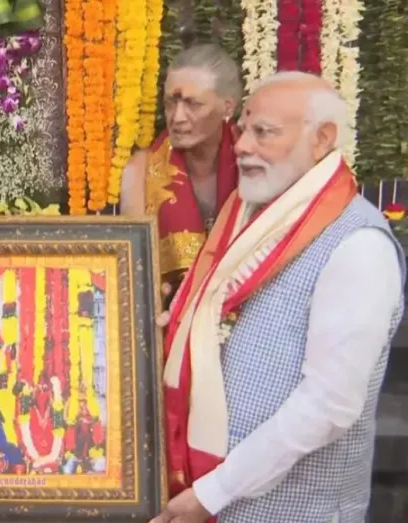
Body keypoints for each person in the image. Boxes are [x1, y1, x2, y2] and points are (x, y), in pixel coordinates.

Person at [151, 72, 405, 523]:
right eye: (243, 130)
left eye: (263, 132)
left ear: (322, 139)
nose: (243, 146)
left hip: (289, 509)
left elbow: (328, 406)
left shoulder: (358, 245)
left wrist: (214, 493)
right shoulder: (253, 214)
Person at [120, 44, 242, 298]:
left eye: (193, 104)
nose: (177, 118)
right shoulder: (140, 171)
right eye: (170, 104)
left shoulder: (254, 162)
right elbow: (135, 274)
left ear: (228, 108)